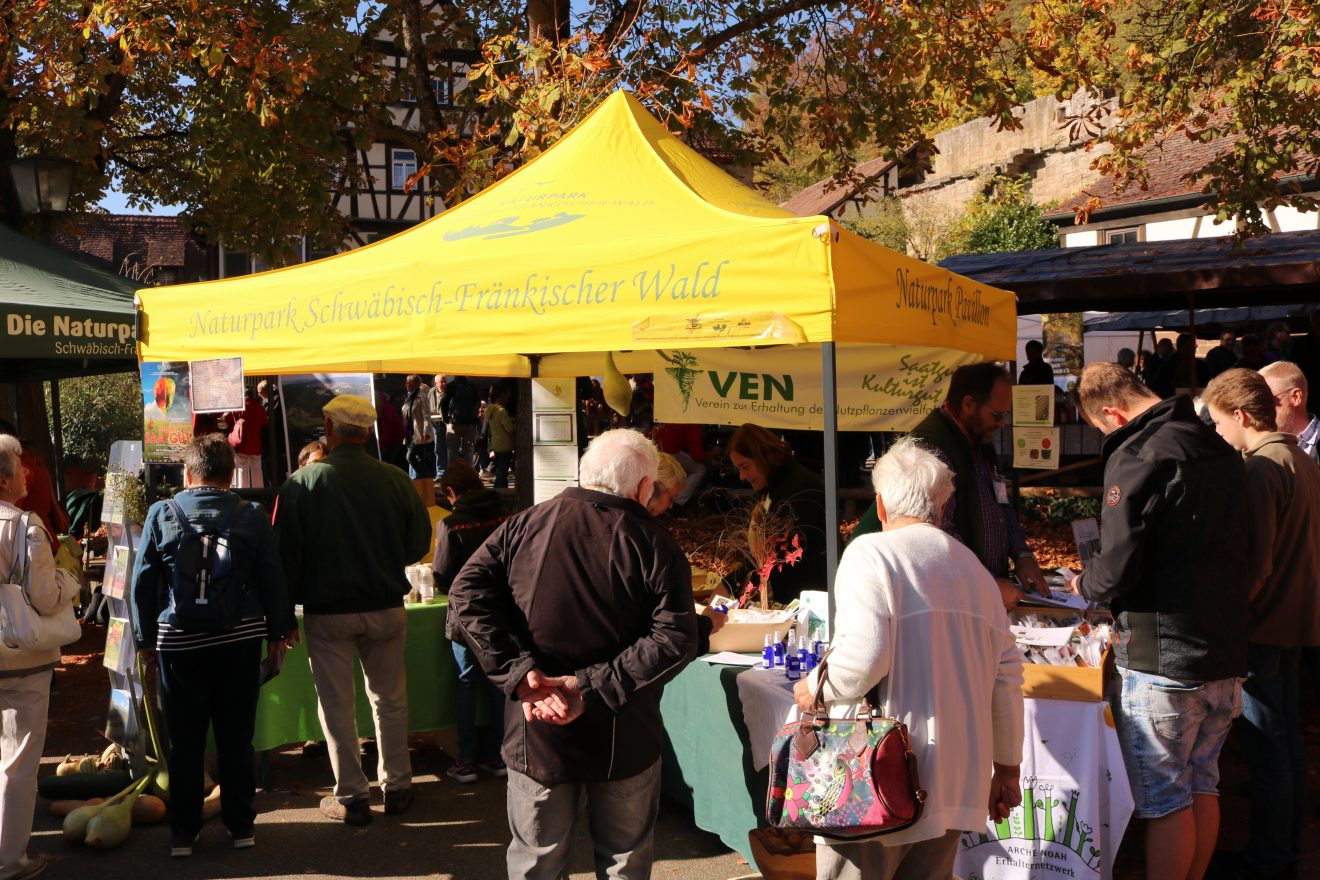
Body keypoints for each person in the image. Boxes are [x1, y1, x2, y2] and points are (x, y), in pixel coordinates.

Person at [448, 429, 698, 880]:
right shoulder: (653, 542)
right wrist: (526, 676)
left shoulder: (524, 525)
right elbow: (675, 638)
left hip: (552, 731)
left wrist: (542, 681)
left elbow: (464, 595)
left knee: (539, 864)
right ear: (644, 487)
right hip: (590, 731)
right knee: (619, 863)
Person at [792, 437, 1024, 880]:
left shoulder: (871, 553)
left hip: (878, 776)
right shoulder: (974, 569)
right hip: (958, 777)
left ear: (879, 505)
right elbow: (1008, 676)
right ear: (942, 508)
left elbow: (865, 656)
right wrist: (1007, 767)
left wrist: (814, 687)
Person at [1068, 362, 1249, 880]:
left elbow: (1118, 563)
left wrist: (1086, 585)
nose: (1107, 436)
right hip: (1222, 648)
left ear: (1111, 411)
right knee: (1201, 784)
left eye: (1103, 429)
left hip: (1165, 657)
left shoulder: (1140, 451)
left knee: (1166, 801)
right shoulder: (1216, 446)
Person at [130, 434, 294, 857]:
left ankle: (183, 832)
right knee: (236, 737)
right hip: (238, 641)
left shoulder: (162, 513)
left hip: (179, 643)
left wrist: (145, 640)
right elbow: (272, 577)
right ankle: (241, 827)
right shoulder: (251, 514)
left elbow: (144, 583)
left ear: (188, 472)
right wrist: (279, 632)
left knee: (184, 740)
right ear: (232, 473)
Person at [273, 394, 431, 825]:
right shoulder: (396, 479)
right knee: (390, 700)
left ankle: (352, 796)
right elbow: (418, 545)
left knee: (336, 705)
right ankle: (397, 786)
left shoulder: (303, 483)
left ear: (329, 428)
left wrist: (283, 617)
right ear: (369, 431)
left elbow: (285, 557)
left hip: (329, 612)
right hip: (385, 606)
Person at [1202, 369, 1320, 880]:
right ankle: (1283, 848)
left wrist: (1225, 622)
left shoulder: (1263, 467)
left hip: (1264, 627)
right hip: (1293, 621)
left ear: (1242, 416)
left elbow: (1256, 565)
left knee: (1268, 747)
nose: (1216, 430)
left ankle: (1272, 856)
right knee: (1285, 742)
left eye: (1217, 420)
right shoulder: (1297, 457)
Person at [852, 363, 1048, 609]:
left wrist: (1022, 554)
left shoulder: (979, 441)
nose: (1001, 423)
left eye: (1005, 415)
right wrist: (988, 587)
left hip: (981, 592)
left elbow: (1002, 504)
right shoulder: (931, 451)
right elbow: (937, 537)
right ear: (968, 404)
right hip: (954, 599)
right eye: (997, 415)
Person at [0, 435, 74, 880]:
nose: (28, 472)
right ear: (3, 479)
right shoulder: (25, 525)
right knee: (19, 761)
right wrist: (72, 579)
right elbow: (46, 597)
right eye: (18, 465)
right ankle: (10, 861)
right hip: (20, 658)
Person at [430, 458, 510, 784]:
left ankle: (465, 759)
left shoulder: (451, 525)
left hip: (465, 614)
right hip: (504, 610)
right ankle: (497, 754)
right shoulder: (506, 516)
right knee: (498, 681)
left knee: (466, 681)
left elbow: (442, 576)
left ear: (451, 492)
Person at [726, 423, 828, 605]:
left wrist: (730, 585)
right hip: (790, 595)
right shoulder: (772, 488)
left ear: (763, 457)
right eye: (738, 469)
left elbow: (776, 550)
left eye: (746, 466)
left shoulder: (800, 489)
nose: (741, 476)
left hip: (812, 599)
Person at [0, 421, 68, 552]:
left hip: (31, 546)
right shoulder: (30, 458)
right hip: (36, 542)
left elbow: (10, 512)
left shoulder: (20, 464)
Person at [1259, 361, 1320, 464]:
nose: (1259, 410)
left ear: (1295, 397)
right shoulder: (1259, 445)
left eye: (1267, 400)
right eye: (1256, 402)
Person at [651, 422, 708, 507]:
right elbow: (697, 455)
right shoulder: (692, 422)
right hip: (666, 451)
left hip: (655, 449)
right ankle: (677, 503)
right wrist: (711, 453)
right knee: (700, 469)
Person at [401, 374, 437, 504]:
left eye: (408, 382)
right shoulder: (409, 397)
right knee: (418, 458)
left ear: (415, 383)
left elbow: (426, 416)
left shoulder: (422, 397)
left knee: (410, 456)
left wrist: (426, 431)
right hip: (410, 433)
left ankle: (423, 477)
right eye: (406, 382)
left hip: (420, 434)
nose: (406, 385)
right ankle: (423, 479)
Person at [227, 387, 269, 489]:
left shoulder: (238, 408)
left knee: (241, 468)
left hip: (242, 444)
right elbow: (265, 424)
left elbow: (228, 421)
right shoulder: (260, 407)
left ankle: (243, 492)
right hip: (256, 444)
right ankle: (259, 492)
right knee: (257, 469)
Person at [441, 376, 481, 468]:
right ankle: (468, 476)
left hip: (454, 424)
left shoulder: (450, 386)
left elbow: (444, 403)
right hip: (470, 423)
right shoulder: (473, 386)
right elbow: (478, 403)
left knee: (452, 453)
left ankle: (452, 477)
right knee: (469, 452)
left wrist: (446, 419)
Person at [484, 385, 515, 490]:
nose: (507, 399)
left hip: (495, 444)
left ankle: (498, 487)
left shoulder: (490, 410)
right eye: (506, 396)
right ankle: (501, 490)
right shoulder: (502, 412)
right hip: (505, 445)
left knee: (499, 470)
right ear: (501, 396)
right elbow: (509, 428)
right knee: (503, 471)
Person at [428, 375, 449, 474]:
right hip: (435, 424)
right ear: (435, 383)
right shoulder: (431, 392)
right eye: (441, 382)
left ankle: (447, 470)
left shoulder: (449, 392)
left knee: (449, 448)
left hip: (448, 423)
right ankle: (441, 471)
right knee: (438, 448)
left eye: (445, 381)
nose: (444, 384)